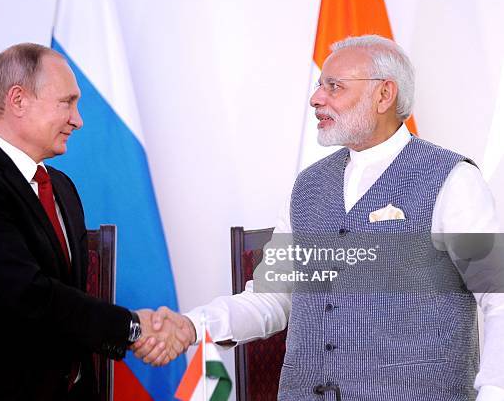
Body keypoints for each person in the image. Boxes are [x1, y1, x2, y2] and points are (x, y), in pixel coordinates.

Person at [134, 35, 504, 400]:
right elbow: (272, 296)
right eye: (319, 86)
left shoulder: (452, 180)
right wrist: (190, 326)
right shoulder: (308, 186)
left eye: (334, 87)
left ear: (384, 95)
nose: (316, 99)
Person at [0, 43, 191, 400]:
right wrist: (132, 328)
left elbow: (70, 303)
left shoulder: (62, 188)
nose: (78, 119)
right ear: (17, 100)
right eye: (67, 102)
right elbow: (27, 297)